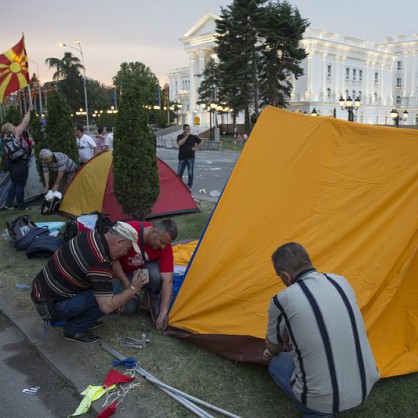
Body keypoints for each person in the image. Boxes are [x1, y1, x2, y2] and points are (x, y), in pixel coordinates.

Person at [264, 242, 380, 417]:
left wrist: (278, 345)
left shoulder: (282, 300)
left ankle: (318, 412)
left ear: (286, 276)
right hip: (364, 388)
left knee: (277, 362)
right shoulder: (341, 281)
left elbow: (272, 347)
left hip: (321, 400)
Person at [31, 221, 149, 344]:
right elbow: (107, 307)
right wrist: (133, 288)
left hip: (40, 294)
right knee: (113, 292)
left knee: (105, 288)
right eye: (127, 248)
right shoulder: (100, 262)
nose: (125, 253)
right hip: (50, 307)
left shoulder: (90, 236)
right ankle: (74, 329)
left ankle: (80, 318)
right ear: (120, 242)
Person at [112, 219, 178, 330]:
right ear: (154, 231)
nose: (162, 247)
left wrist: (163, 313)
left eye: (166, 244)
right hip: (115, 275)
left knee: (155, 273)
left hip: (133, 274)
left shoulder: (165, 246)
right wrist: (126, 285)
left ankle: (149, 300)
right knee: (129, 309)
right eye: (161, 242)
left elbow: (168, 280)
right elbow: (113, 258)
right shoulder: (131, 230)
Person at [1, 104, 34, 210]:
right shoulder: (15, 133)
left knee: (14, 183)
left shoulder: (5, 138)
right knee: (20, 185)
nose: (14, 126)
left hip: (11, 163)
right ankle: (21, 206)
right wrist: (29, 111)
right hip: (20, 162)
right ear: (9, 129)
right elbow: (24, 123)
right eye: (11, 125)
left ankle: (8, 203)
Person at [176, 124, 202, 188]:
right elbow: (179, 143)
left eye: (189, 129)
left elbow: (201, 141)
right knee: (179, 173)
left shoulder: (193, 136)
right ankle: (179, 185)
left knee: (190, 172)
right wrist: (186, 137)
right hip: (182, 158)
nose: (188, 130)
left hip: (190, 157)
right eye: (187, 129)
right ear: (183, 129)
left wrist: (197, 148)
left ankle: (189, 185)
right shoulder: (179, 136)